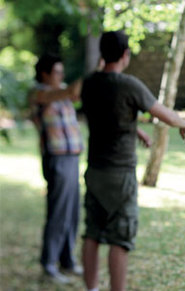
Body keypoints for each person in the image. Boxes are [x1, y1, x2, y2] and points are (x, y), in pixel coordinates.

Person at [80, 30, 185, 291]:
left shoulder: (90, 84)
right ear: (125, 54)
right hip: (120, 174)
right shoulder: (128, 85)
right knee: (120, 238)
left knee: (93, 233)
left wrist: (135, 130)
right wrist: (184, 123)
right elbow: (161, 112)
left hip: (94, 169)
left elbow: (108, 117)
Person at [29, 53, 84, 284]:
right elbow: (69, 92)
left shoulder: (63, 91)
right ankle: (49, 263)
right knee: (58, 210)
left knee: (72, 211)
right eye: (58, 72)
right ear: (45, 74)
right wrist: (92, 72)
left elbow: (74, 95)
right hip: (56, 158)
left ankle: (67, 260)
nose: (61, 76)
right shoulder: (38, 93)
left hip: (72, 157)